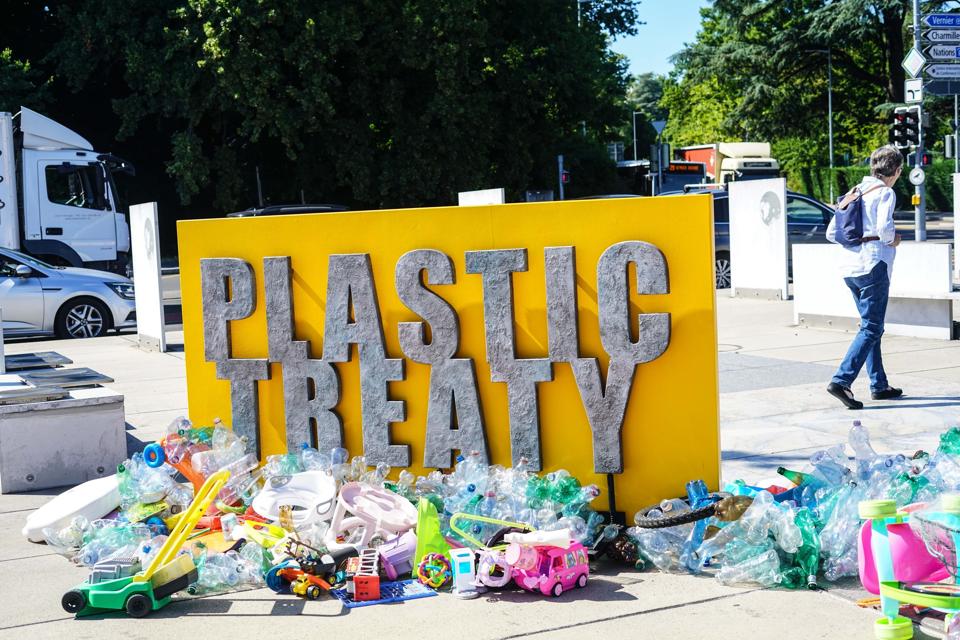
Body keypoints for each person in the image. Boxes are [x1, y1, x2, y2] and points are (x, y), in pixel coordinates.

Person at [825, 145, 903, 410]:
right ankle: (841, 380)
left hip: (850, 268)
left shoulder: (852, 192)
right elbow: (884, 229)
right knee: (872, 328)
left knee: (871, 328)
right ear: (896, 171)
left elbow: (831, 232)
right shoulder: (885, 192)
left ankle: (879, 385)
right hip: (873, 265)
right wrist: (894, 240)